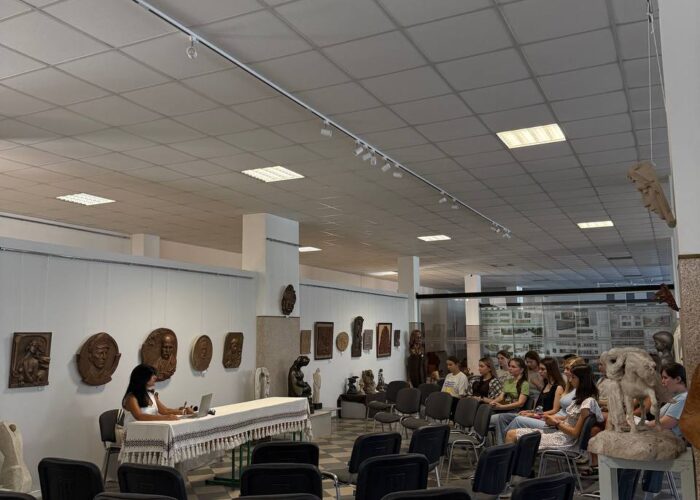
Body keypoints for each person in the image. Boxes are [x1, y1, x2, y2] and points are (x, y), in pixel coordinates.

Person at [505, 364, 604, 450]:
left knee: (512, 434)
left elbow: (575, 433)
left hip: (564, 441)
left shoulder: (586, 403)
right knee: (512, 433)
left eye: (573, 377)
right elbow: (570, 418)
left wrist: (557, 423)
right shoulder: (581, 400)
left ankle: (511, 465)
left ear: (582, 380)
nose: (570, 380)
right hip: (560, 435)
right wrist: (552, 418)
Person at [504, 356, 586, 433]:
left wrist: (536, 415)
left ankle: (504, 441)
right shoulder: (566, 387)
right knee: (506, 419)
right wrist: (533, 413)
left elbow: (558, 412)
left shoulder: (562, 388)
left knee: (517, 420)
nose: (564, 371)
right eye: (564, 369)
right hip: (552, 418)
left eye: (567, 369)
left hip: (556, 422)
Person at [494, 357, 564, 443]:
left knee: (517, 419)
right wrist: (530, 411)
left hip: (545, 418)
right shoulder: (546, 385)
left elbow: (554, 410)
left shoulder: (558, 387)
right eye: (540, 369)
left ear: (550, 370)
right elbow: (540, 407)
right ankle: (503, 443)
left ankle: (504, 443)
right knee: (502, 417)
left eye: (543, 369)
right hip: (538, 415)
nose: (540, 371)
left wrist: (533, 414)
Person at [122, 364, 192, 424]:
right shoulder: (131, 397)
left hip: (151, 430)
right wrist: (166, 418)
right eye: (152, 375)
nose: (155, 377)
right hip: (133, 433)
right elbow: (140, 416)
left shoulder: (151, 395)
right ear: (142, 377)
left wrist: (184, 412)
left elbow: (165, 411)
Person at [490, 357, 529, 443]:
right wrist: (493, 402)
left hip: (515, 411)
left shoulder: (524, 384)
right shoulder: (508, 381)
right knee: (485, 416)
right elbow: (500, 397)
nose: (510, 368)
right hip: (504, 409)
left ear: (521, 370)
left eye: (513, 367)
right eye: (509, 366)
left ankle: (501, 445)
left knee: (486, 419)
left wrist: (501, 407)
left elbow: (520, 403)